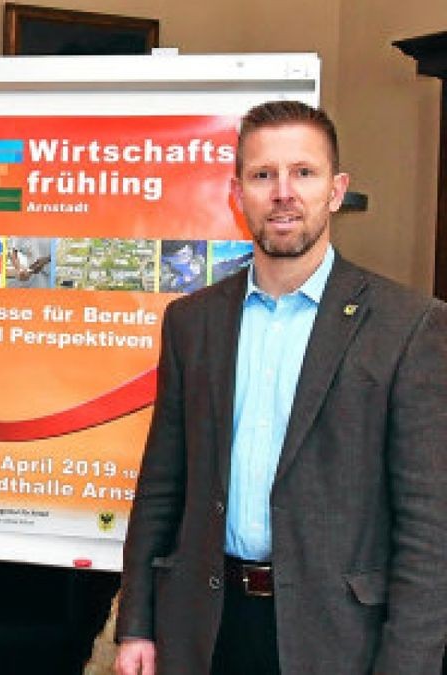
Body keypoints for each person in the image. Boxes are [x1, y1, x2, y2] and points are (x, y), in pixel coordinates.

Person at [116, 100, 447, 674]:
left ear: (336, 190)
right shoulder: (192, 322)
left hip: (338, 640)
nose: (283, 192)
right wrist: (137, 626)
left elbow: (429, 529)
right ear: (236, 193)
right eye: (263, 174)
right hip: (204, 628)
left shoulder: (409, 326)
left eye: (304, 172)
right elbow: (162, 487)